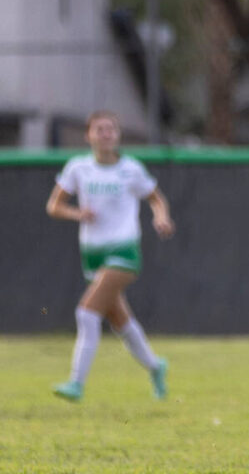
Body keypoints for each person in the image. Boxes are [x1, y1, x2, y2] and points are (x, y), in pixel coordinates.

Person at [46, 110, 175, 402]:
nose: (105, 134)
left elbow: (156, 197)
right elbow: (54, 206)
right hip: (93, 254)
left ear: (118, 135)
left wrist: (161, 217)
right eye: (99, 129)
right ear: (88, 135)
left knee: (86, 311)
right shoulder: (78, 168)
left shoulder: (130, 169)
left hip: (124, 251)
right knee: (121, 322)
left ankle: (76, 384)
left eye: (111, 130)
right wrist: (77, 212)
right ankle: (156, 367)